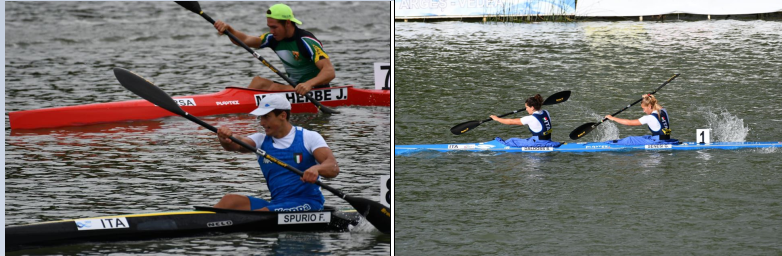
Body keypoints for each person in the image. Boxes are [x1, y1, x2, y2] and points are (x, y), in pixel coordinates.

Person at [214, 94, 339, 211]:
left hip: (308, 204)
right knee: (229, 201)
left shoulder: (309, 137)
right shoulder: (260, 140)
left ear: (283, 116)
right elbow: (236, 144)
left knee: (263, 213)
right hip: (277, 203)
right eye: (261, 117)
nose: (262, 123)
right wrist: (226, 138)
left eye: (266, 117)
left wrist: (317, 169)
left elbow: (333, 166)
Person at [213, 3, 335, 95]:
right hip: (294, 88)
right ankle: (236, 104)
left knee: (274, 88)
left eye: (274, 27)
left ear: (287, 23)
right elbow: (244, 41)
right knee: (258, 82)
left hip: (316, 91)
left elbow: (329, 72)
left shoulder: (306, 41)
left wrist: (308, 84)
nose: (271, 31)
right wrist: (229, 31)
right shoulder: (273, 38)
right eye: (269, 27)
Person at [490, 94, 561, 147]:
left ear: (532, 107)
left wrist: (497, 119)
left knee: (511, 141)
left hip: (537, 143)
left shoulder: (531, 118)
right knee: (518, 139)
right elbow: (517, 120)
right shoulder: (546, 112)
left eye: (527, 107)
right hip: (548, 140)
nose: (526, 109)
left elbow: (511, 122)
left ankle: (497, 144)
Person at [604, 94, 675, 144]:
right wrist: (648, 98)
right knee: (645, 137)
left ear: (650, 106)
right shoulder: (664, 111)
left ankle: (609, 144)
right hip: (667, 139)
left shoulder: (649, 118)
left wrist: (612, 118)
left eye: (644, 108)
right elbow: (656, 105)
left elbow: (629, 122)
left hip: (658, 142)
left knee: (630, 139)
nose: (644, 111)